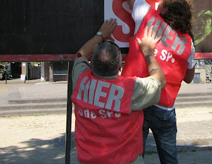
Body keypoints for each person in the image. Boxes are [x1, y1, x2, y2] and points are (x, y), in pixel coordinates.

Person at [98, 0, 196, 164]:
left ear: (163, 10)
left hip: (136, 102)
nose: (158, 0)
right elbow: (189, 78)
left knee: (134, 157)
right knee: (170, 160)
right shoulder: (189, 44)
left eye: (161, 1)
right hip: (164, 110)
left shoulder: (147, 17)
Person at [71, 18, 167, 164]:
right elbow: (160, 81)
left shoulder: (81, 80)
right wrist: (148, 51)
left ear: (91, 65)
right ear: (119, 68)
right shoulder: (130, 89)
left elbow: (81, 54)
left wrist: (100, 34)